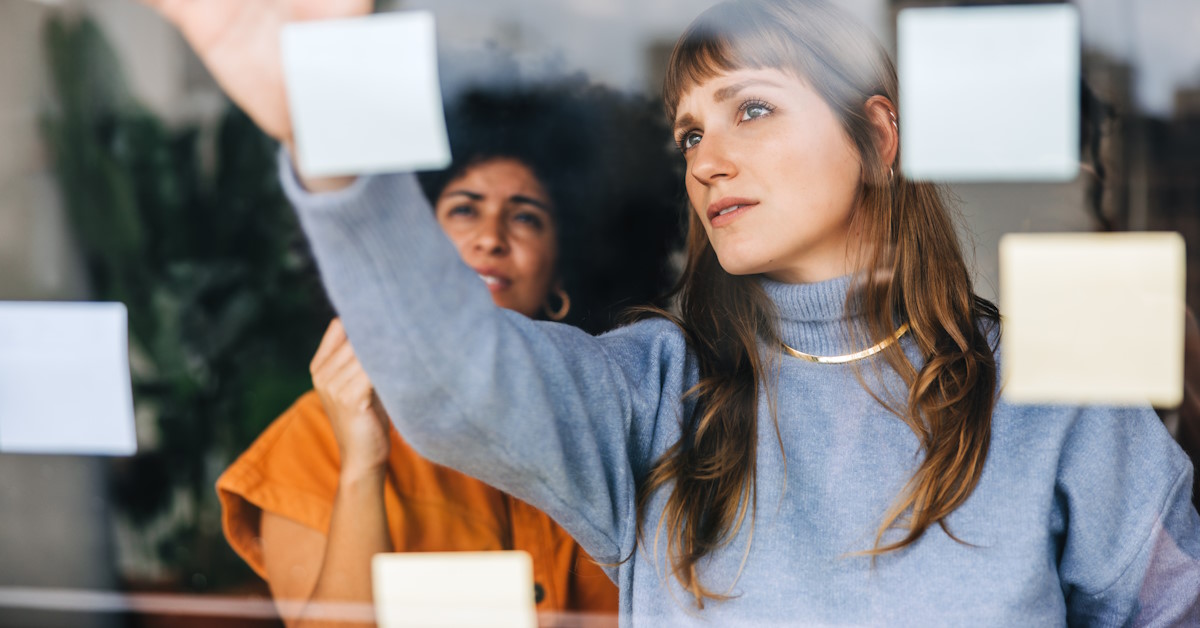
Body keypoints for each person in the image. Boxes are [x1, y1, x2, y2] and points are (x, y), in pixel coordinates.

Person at [145, 0, 1200, 624]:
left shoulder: (1047, 392)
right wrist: (329, 144)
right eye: (691, 132)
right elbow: (451, 378)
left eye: (750, 108)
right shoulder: (655, 389)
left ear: (880, 139)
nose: (711, 157)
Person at [214, 83, 682, 626]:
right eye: (464, 210)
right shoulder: (315, 439)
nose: (491, 236)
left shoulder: (620, 425)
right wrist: (362, 466)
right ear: (413, 253)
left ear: (561, 278)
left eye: (526, 216)